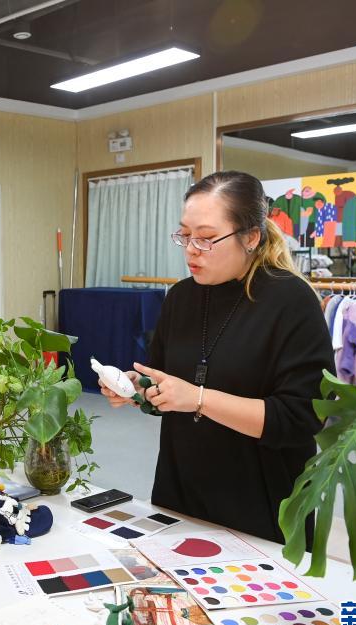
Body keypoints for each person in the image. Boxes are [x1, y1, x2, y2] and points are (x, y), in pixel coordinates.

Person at [100, 171, 334, 544]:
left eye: (207, 239)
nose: (191, 249)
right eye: (185, 235)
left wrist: (199, 398)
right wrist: (137, 388)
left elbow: (301, 418)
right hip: (180, 496)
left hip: (262, 507)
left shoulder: (291, 301)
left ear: (251, 237)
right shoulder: (181, 298)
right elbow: (164, 387)